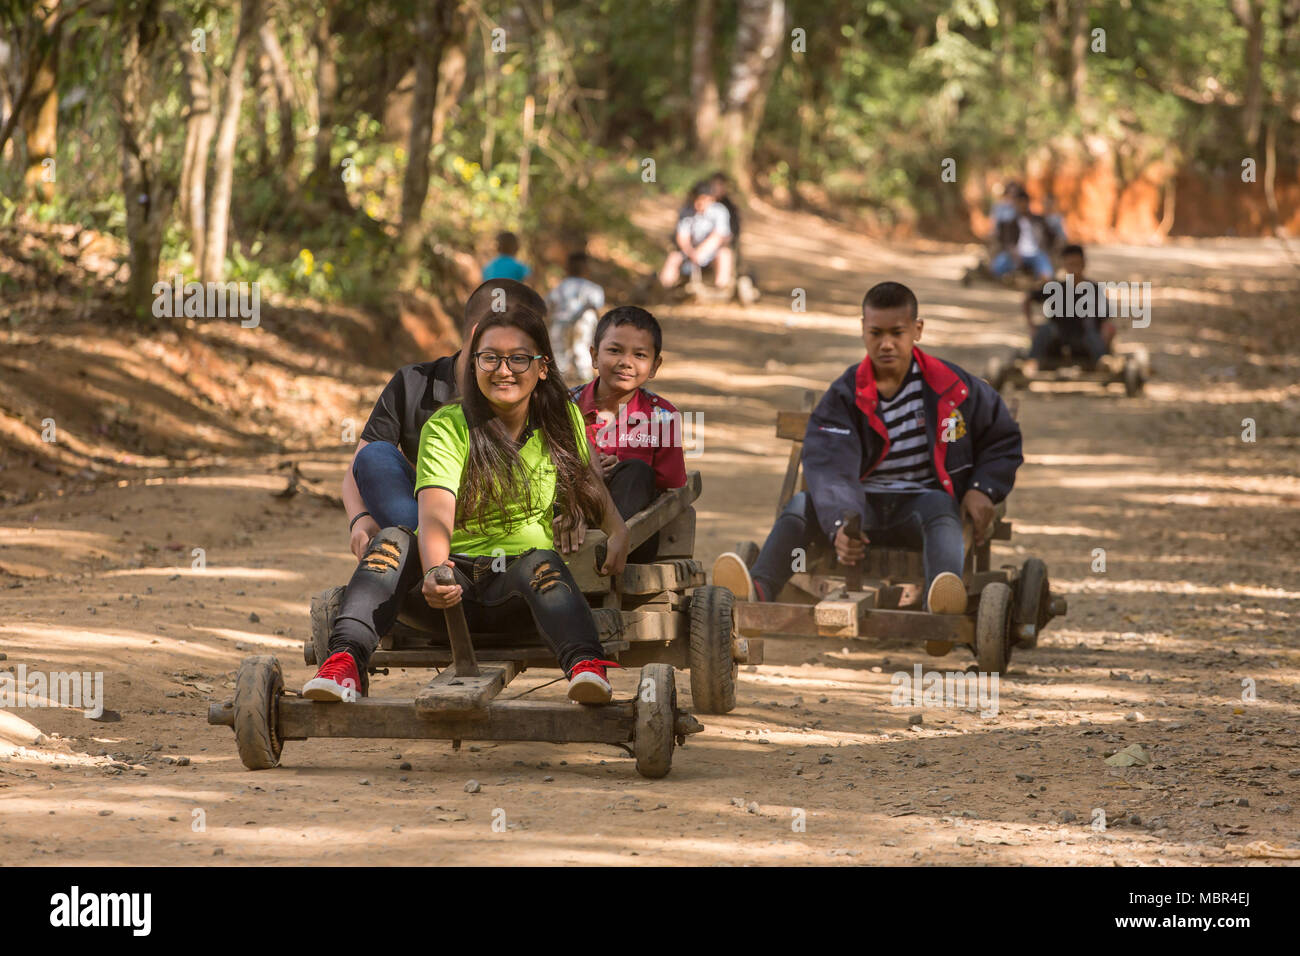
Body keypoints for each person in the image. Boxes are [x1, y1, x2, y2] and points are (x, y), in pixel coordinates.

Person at [305, 299, 631, 705]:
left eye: (518, 359)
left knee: (541, 561)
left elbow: (589, 484)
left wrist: (618, 530)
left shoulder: (562, 420)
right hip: (444, 597)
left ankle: (585, 667)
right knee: (391, 540)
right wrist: (437, 573)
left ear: (542, 366)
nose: (503, 370)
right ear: (474, 364)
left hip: (517, 598)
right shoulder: (447, 427)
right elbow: (435, 515)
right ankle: (343, 664)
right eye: (490, 358)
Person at [712, 282, 1023, 617]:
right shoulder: (845, 395)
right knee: (802, 504)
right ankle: (757, 590)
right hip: (860, 508)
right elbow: (829, 464)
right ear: (863, 330)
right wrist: (840, 523)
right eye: (876, 333)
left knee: (941, 506)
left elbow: (1002, 439)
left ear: (917, 330)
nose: (886, 343)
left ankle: (941, 599)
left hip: (920, 507)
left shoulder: (953, 386)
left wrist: (982, 489)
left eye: (897, 332)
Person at [342, 279, 546, 560]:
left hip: (503, 525)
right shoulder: (412, 383)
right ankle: (432, 553)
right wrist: (360, 518)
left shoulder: (530, 389)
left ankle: (443, 556)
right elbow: (360, 466)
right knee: (374, 456)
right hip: (426, 519)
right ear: (480, 336)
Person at [570, 306, 687, 562]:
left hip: (633, 538)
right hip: (568, 523)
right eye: (614, 350)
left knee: (636, 471)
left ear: (655, 366)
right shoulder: (565, 408)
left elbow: (669, 488)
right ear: (593, 356)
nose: (626, 362)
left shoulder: (663, 416)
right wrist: (588, 472)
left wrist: (619, 472)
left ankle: (599, 548)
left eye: (640, 354)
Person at [1022, 244, 1115, 373]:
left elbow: (1106, 319)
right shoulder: (1056, 287)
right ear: (1065, 266)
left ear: (1084, 264)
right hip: (1059, 340)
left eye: (1077, 264)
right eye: (1070, 264)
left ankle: (1103, 361)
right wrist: (1031, 325)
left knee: (1091, 330)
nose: (1074, 268)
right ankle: (1031, 363)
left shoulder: (1094, 289)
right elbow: (1028, 299)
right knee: (1045, 329)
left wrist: (1106, 334)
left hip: (1085, 341)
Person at [658, 181, 733, 290]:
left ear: (711, 199)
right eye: (697, 199)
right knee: (674, 257)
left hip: (712, 252)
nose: (699, 203)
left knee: (724, 255)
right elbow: (682, 236)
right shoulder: (686, 211)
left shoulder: (720, 211)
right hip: (689, 252)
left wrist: (701, 252)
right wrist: (691, 252)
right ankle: (665, 288)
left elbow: (718, 236)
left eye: (703, 200)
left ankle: (721, 289)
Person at [545, 251, 605, 378]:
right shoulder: (593, 288)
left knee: (559, 352)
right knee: (582, 350)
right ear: (587, 269)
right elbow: (597, 309)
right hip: (584, 324)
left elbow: (548, 308)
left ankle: (560, 383)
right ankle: (585, 383)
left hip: (560, 322)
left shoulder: (560, 288)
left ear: (567, 269)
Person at [991, 190, 1054, 282]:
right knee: (997, 266)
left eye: (1024, 202)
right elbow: (1006, 240)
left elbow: (1050, 237)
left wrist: (1046, 248)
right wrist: (1013, 251)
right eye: (1019, 203)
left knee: (1047, 273)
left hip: (1036, 253)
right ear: (1015, 204)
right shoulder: (1010, 222)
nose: (1022, 205)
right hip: (1016, 253)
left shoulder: (1039, 220)